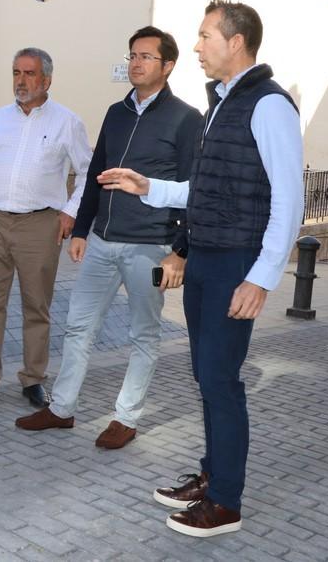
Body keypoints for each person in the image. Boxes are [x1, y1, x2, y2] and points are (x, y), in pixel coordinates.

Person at [98, 0, 304, 537]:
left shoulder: (269, 105)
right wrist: (150, 187)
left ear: (236, 42)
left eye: (205, 35)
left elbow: (289, 198)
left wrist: (261, 278)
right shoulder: (220, 104)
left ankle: (226, 502)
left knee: (221, 381)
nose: (197, 45)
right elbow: (205, 190)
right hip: (207, 259)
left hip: (236, 263)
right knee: (206, 378)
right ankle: (213, 477)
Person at [15, 27, 202, 449]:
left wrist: (181, 251)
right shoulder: (116, 113)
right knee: (78, 327)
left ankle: (126, 417)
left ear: (168, 66)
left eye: (146, 57)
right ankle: (61, 409)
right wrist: (81, 229)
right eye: (133, 55)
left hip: (149, 245)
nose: (136, 63)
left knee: (143, 334)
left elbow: (195, 187)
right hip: (101, 240)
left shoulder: (188, 119)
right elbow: (96, 173)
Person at [0, 47, 91, 409]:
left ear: (47, 79)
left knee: (36, 306)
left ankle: (33, 379)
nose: (21, 80)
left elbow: (87, 172)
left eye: (29, 73)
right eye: (16, 72)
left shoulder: (67, 122)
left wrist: (71, 212)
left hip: (40, 224)